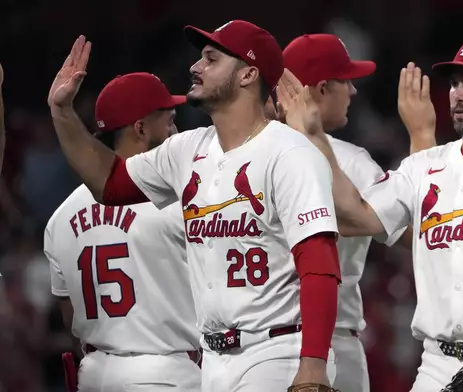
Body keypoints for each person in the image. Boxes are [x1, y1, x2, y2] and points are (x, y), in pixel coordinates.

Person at [47, 21, 340, 391]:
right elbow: (109, 183)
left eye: (211, 58)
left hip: (277, 350)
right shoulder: (186, 149)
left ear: (249, 74)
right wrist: (62, 113)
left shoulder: (290, 153)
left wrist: (312, 367)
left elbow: (320, 265)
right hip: (213, 359)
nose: (195, 67)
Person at [278, 38, 463, 392]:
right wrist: (314, 136)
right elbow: (355, 218)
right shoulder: (424, 167)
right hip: (438, 364)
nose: (458, 94)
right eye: (454, 83)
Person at [280, 33, 435, 392]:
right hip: (333, 344)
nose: (352, 91)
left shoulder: (243, 155)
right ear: (319, 89)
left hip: (247, 346)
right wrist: (422, 138)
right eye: (345, 80)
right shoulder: (350, 161)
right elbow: (427, 233)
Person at [44, 72, 201, 392]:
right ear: (141, 128)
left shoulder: (60, 216)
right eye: (169, 121)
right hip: (165, 374)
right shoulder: (177, 203)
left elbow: (68, 314)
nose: (176, 130)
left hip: (94, 374)